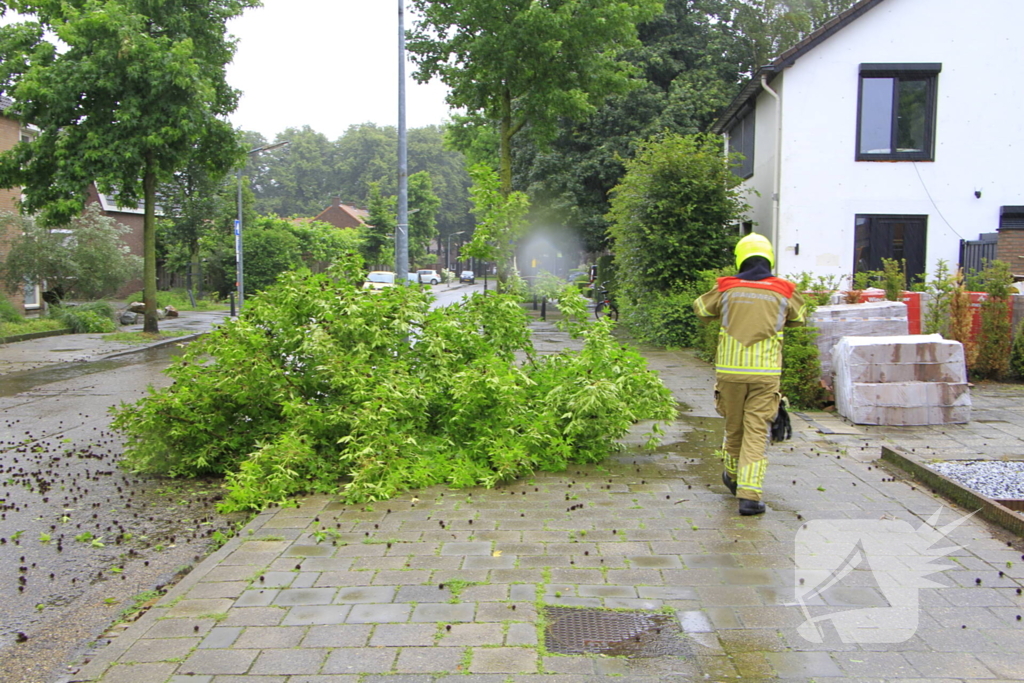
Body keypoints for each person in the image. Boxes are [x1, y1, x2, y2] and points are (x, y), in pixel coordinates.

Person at [693, 234, 806, 516]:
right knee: (756, 432)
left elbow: (701, 310)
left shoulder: (727, 288)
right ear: (769, 258)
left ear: (740, 257)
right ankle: (750, 497)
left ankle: (732, 477)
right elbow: (800, 318)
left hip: (730, 373)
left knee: (734, 429)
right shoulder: (784, 291)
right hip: (765, 374)